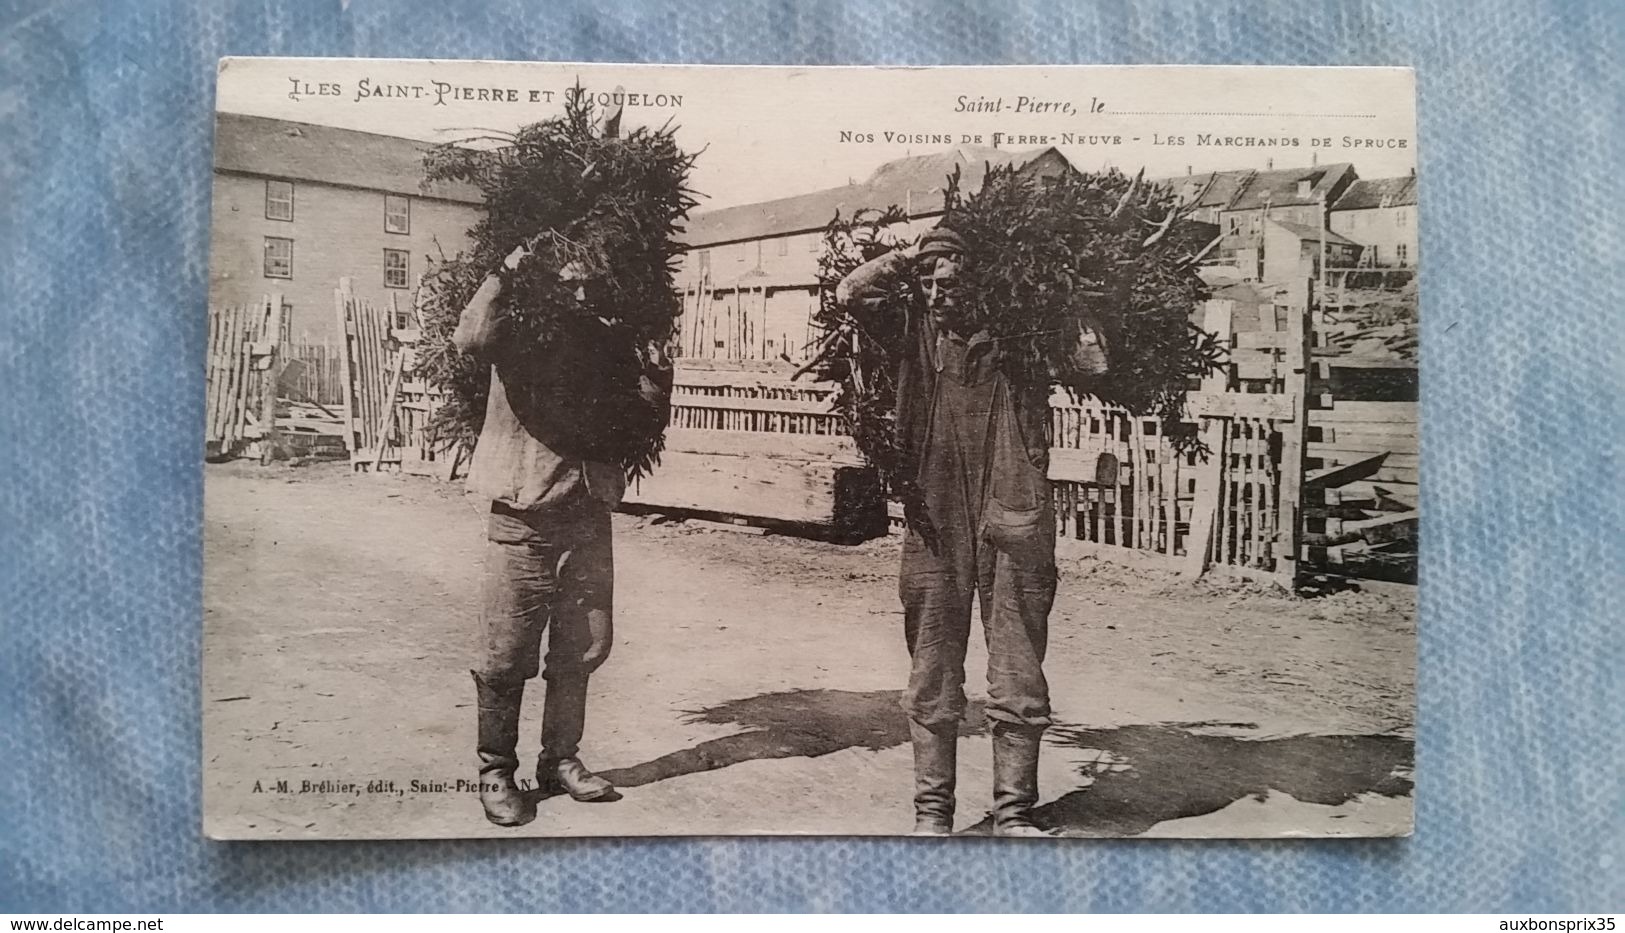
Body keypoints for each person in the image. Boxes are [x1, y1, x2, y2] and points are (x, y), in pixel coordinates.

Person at [836, 226, 1105, 837]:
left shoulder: (1024, 339)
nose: (939, 290)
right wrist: (916, 254)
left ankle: (1014, 813)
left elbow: (1096, 361)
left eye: (951, 277)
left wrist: (1064, 296)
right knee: (932, 668)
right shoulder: (911, 333)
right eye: (929, 281)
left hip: (1016, 519)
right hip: (935, 524)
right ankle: (933, 813)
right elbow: (853, 291)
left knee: (1018, 670)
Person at [452, 244, 670, 827]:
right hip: (523, 512)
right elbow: (469, 339)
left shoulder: (606, 341)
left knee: (584, 647)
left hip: (588, 513)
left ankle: (560, 760)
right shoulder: (517, 332)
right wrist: (508, 267)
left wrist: (655, 373)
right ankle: (496, 768)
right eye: (570, 280)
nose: (581, 292)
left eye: (591, 282)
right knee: (505, 654)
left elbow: (637, 419)